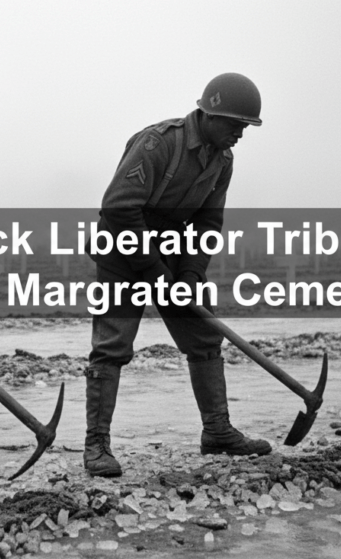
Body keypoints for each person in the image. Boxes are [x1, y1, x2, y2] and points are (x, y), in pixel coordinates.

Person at [83, 73, 272, 478]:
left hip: (171, 247)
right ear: (208, 113)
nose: (240, 134)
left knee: (204, 335)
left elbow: (207, 222)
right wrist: (153, 272)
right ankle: (96, 445)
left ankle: (218, 431)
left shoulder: (223, 160)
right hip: (122, 243)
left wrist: (189, 272)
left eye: (245, 127)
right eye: (235, 124)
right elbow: (118, 208)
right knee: (112, 343)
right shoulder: (158, 142)